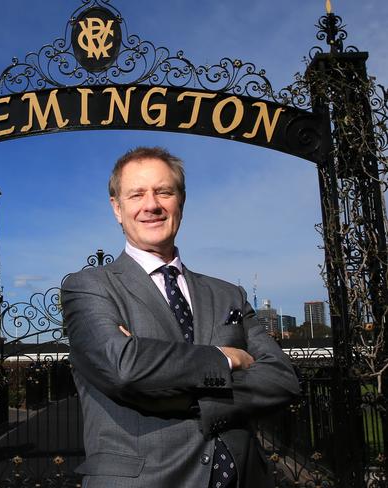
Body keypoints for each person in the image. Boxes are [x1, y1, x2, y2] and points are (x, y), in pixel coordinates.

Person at [61, 147, 300, 488]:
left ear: (181, 201)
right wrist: (223, 358)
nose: (152, 205)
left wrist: (165, 381)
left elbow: (281, 379)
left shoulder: (229, 294)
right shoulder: (88, 288)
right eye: (136, 194)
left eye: (164, 191)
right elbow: (124, 369)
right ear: (117, 207)